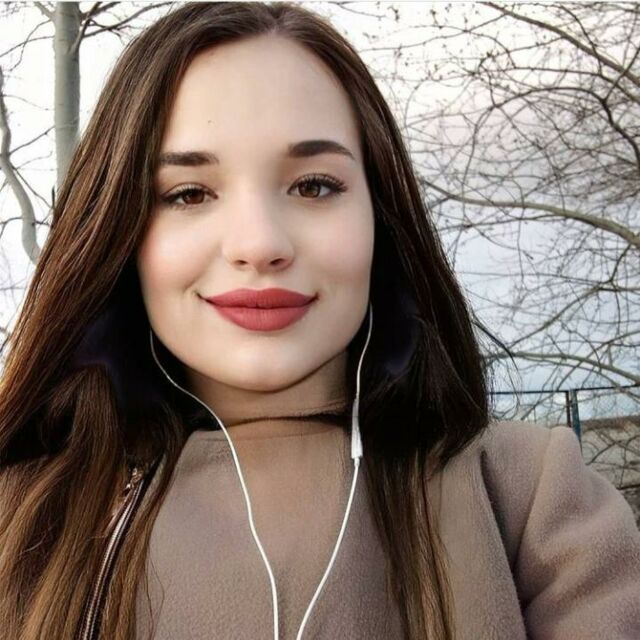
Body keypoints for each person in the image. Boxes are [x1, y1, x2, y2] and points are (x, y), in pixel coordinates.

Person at [0, 2, 638, 639]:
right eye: (189, 193)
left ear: (381, 217)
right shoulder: (19, 520)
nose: (259, 244)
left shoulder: (527, 501)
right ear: (118, 230)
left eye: (312, 186)